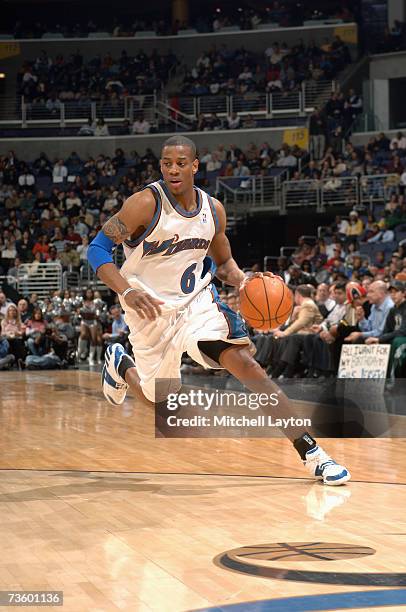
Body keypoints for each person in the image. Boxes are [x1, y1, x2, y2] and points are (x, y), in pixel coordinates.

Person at [88, 135, 350, 486]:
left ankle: (313, 454)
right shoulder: (144, 204)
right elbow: (97, 250)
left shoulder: (213, 211)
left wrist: (244, 282)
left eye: (181, 162)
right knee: (162, 408)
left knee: (246, 365)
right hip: (148, 309)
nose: (173, 169)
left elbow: (224, 262)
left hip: (198, 303)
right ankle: (121, 363)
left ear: (195, 165)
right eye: (167, 163)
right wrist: (127, 289)